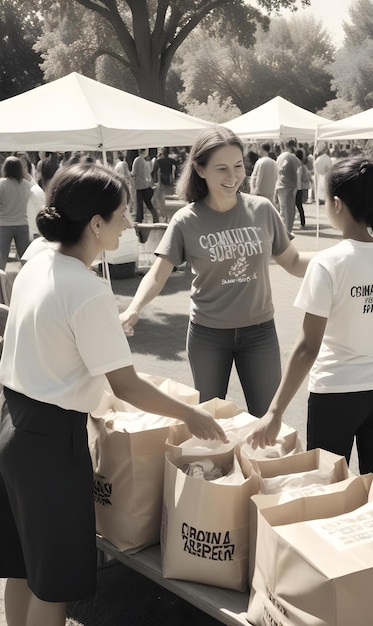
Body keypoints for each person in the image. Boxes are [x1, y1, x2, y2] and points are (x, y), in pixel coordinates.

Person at [0, 162, 226, 626]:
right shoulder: (88, 290)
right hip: (49, 442)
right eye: (122, 213)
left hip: (13, 424)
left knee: (22, 567)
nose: (129, 222)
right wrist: (193, 415)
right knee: (54, 582)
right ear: (96, 223)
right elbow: (125, 385)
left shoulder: (39, 257)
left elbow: (61, 337)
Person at [120, 126, 314, 418]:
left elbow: (295, 262)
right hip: (208, 335)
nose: (233, 176)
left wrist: (344, 255)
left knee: (268, 419)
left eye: (238, 166)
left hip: (260, 333)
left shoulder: (262, 209)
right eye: (221, 168)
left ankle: (260, 467)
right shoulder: (186, 220)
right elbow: (158, 274)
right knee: (210, 420)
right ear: (200, 169)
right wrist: (134, 308)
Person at [248, 156, 373, 480]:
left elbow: (307, 348)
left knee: (328, 486)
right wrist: (370, 330)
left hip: (335, 392)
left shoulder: (328, 264)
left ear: (336, 204)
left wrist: (275, 412)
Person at [0, 156, 32, 269]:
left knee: (1, 258)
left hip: (4, 224)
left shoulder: (2, 184)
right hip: (22, 224)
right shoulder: (27, 185)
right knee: (25, 257)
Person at [17, 153, 46, 241]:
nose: (21, 170)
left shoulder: (35, 191)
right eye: (17, 166)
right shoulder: (8, 187)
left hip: (34, 235)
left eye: (24, 166)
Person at [275, 139, 300, 238]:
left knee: (282, 209)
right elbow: (298, 172)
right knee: (289, 210)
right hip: (289, 186)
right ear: (293, 146)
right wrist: (298, 187)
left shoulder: (280, 157)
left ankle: (283, 230)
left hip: (280, 185)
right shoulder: (293, 158)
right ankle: (288, 231)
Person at [131, 148, 159, 224]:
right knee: (149, 203)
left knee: (139, 204)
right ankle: (155, 218)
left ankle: (139, 220)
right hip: (147, 185)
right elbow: (150, 171)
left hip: (140, 185)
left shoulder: (137, 160)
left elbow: (133, 172)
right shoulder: (147, 161)